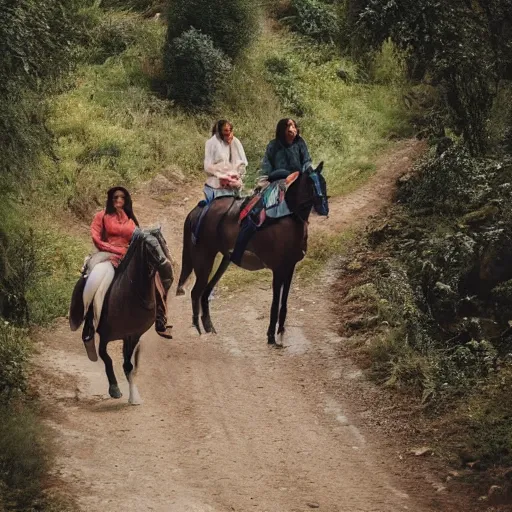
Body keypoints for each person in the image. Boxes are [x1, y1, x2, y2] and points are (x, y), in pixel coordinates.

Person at [81, 186, 173, 343]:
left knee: (154, 276)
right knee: (93, 276)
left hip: (127, 254)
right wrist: (115, 249)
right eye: (116, 197)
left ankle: (160, 318)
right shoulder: (101, 216)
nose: (119, 200)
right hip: (106, 254)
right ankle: (89, 319)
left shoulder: (128, 218)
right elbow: (96, 239)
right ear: (111, 199)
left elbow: (137, 235)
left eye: (122, 198)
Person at [204, 119, 248, 201]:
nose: (229, 134)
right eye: (226, 132)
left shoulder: (235, 142)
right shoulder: (211, 143)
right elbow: (207, 167)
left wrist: (236, 175)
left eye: (230, 131)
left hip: (233, 184)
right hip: (216, 184)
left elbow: (242, 164)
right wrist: (220, 174)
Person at [259, 118, 313, 184]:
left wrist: (308, 171)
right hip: (278, 178)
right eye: (290, 126)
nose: (294, 129)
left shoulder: (300, 142)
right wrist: (265, 178)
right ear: (282, 129)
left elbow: (306, 160)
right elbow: (266, 164)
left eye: (294, 126)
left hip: (297, 177)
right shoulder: (273, 144)